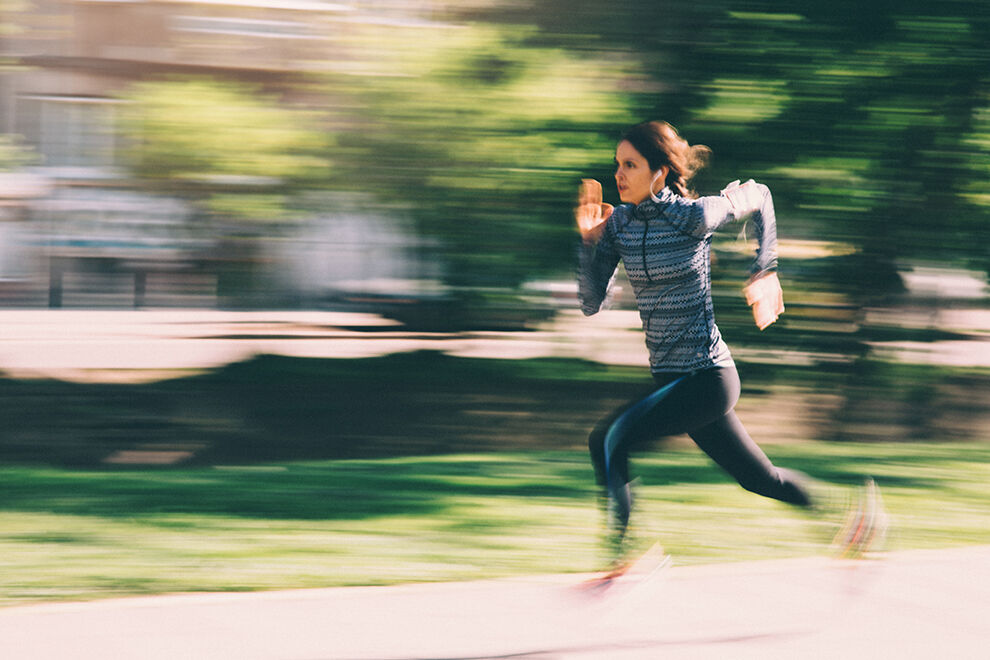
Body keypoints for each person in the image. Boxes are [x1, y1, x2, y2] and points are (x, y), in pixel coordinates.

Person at [575, 120, 839, 567]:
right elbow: (589, 302)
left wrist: (765, 268)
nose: (618, 174)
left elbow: (761, 195)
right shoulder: (618, 225)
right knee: (761, 480)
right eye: (617, 164)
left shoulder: (693, 217)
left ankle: (624, 560)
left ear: (659, 172)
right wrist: (588, 243)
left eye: (630, 165)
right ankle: (847, 524)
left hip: (707, 378)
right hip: (674, 383)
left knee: (609, 439)